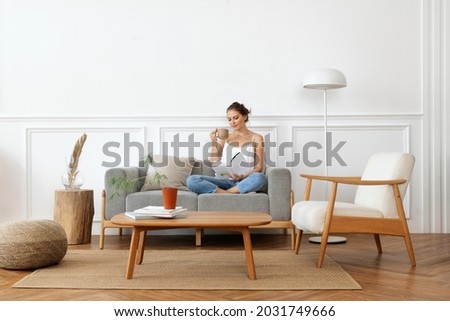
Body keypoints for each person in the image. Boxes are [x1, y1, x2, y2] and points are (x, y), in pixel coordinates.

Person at [186, 102, 267, 194]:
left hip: (245, 181)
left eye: (236, 118)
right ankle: (230, 193)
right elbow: (213, 162)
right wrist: (214, 141)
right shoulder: (225, 137)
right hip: (224, 180)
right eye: (229, 119)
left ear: (244, 116)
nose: (232, 122)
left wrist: (242, 177)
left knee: (260, 178)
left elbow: (258, 167)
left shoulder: (256, 137)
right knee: (192, 180)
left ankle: (224, 193)